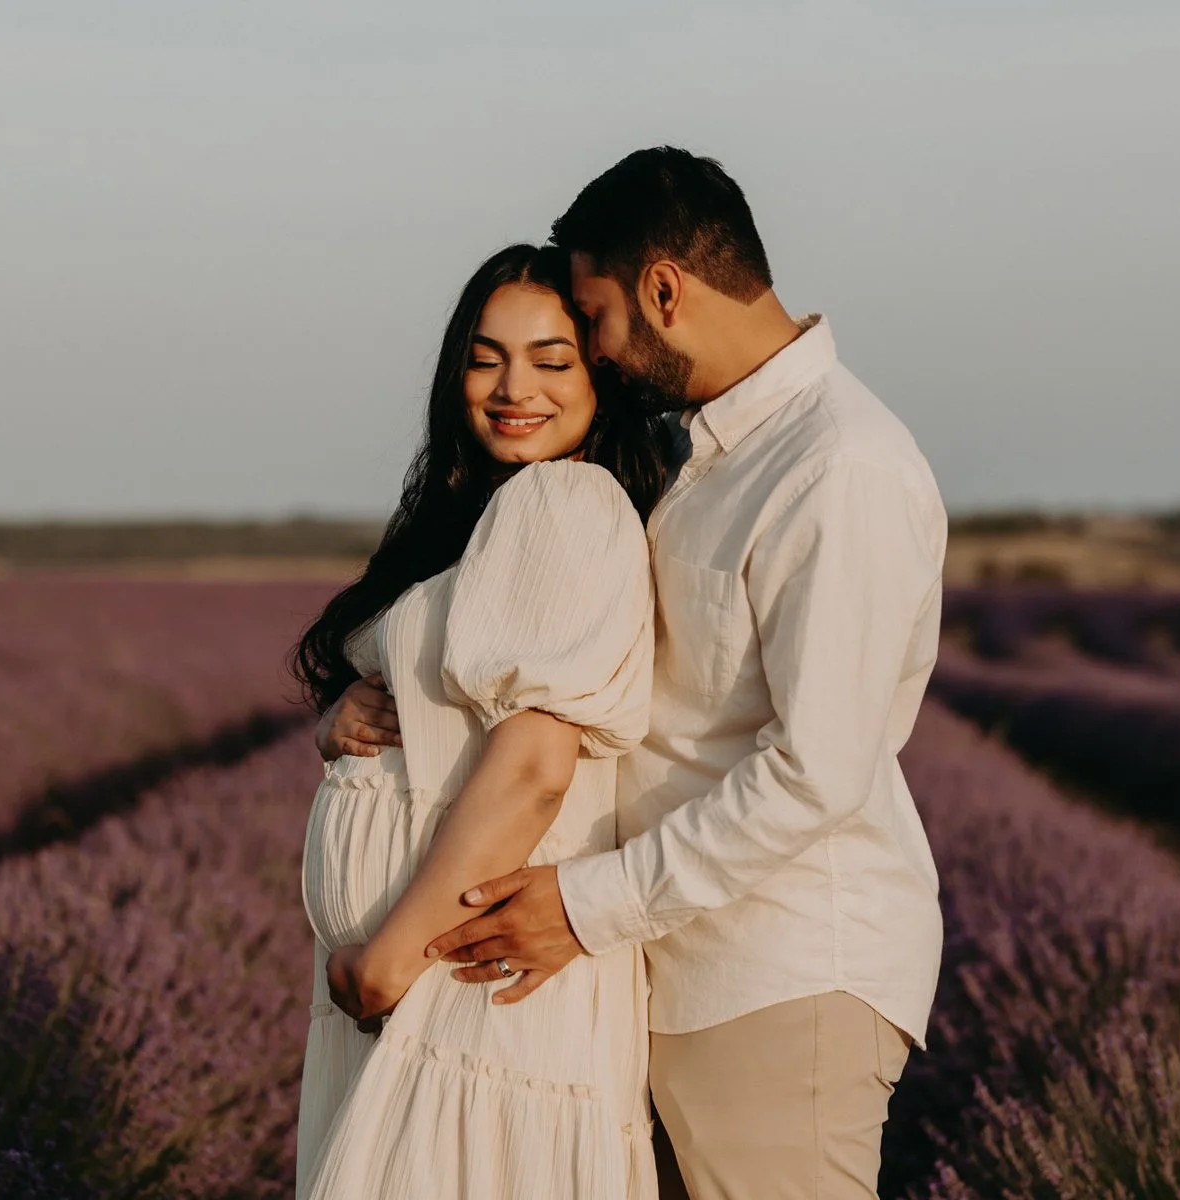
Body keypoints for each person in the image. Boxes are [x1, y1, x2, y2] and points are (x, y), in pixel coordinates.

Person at [329, 148, 949, 1198]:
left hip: (780, 967)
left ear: (665, 291)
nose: (598, 352)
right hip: (680, 965)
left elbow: (815, 770)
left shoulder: (837, 465)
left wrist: (584, 905)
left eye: (596, 317)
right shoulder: (715, 457)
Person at [290, 242, 675, 1199]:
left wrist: (390, 957)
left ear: (603, 379)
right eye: (485, 356)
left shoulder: (563, 499)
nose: (514, 387)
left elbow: (536, 763)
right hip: (437, 996)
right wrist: (347, 716)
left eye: (552, 360)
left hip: (470, 988)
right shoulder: (490, 514)